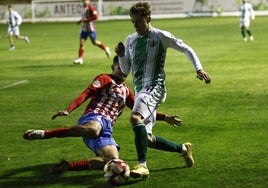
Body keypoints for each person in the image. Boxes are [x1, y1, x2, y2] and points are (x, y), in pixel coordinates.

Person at [23, 55, 182, 174]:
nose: (123, 71)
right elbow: (86, 93)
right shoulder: (104, 78)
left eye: (126, 68)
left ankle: (67, 166)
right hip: (93, 117)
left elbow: (141, 111)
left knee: (114, 163)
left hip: (106, 130)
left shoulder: (126, 91)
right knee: (93, 130)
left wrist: (165, 117)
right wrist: (68, 109)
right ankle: (45, 134)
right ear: (113, 66)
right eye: (120, 66)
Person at [115, 2, 211, 179]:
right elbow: (126, 71)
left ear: (148, 19)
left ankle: (142, 166)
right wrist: (121, 56)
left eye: (138, 21)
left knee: (135, 117)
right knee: (148, 139)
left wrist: (198, 68)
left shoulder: (160, 36)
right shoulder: (130, 40)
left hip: (155, 87)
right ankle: (184, 149)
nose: (135, 25)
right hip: (141, 89)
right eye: (133, 22)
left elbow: (186, 48)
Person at [73, 0, 111, 65]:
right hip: (84, 29)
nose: (85, 2)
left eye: (86, 0)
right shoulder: (82, 8)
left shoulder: (90, 8)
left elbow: (96, 17)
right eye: (84, 1)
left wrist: (87, 20)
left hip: (91, 29)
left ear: (88, 1)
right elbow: (83, 18)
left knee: (94, 42)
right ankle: (80, 59)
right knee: (81, 43)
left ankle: (105, 48)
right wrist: (80, 21)